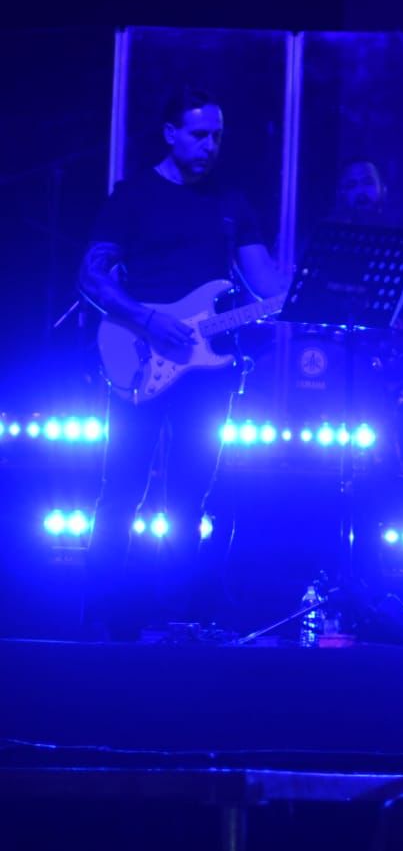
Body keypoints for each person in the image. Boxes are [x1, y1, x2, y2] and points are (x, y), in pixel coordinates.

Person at [78, 86, 289, 636]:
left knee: (194, 492)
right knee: (123, 486)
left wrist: (307, 286)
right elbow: (92, 276)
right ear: (170, 133)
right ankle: (102, 610)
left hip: (206, 366)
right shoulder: (133, 197)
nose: (210, 144)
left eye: (217, 135)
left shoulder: (230, 203)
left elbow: (267, 287)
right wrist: (148, 321)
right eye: (198, 134)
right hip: (138, 353)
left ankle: (177, 609)